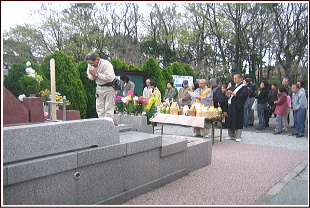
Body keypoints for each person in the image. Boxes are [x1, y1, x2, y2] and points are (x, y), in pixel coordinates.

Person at [85, 52, 116, 120]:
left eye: (92, 63)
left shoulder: (106, 64)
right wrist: (92, 75)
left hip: (109, 87)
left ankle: (108, 124)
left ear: (97, 59)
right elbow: (90, 76)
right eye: (89, 64)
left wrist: (97, 75)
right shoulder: (90, 65)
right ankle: (101, 123)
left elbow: (109, 77)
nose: (91, 65)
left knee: (109, 107)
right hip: (99, 87)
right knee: (99, 107)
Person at [224, 74, 248, 142]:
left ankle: (238, 136)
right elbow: (229, 96)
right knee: (230, 119)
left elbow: (243, 96)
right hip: (231, 105)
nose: (235, 80)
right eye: (234, 78)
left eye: (236, 78)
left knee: (238, 120)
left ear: (240, 78)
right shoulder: (233, 87)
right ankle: (231, 135)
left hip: (238, 106)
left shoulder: (244, 87)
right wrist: (228, 95)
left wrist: (234, 94)